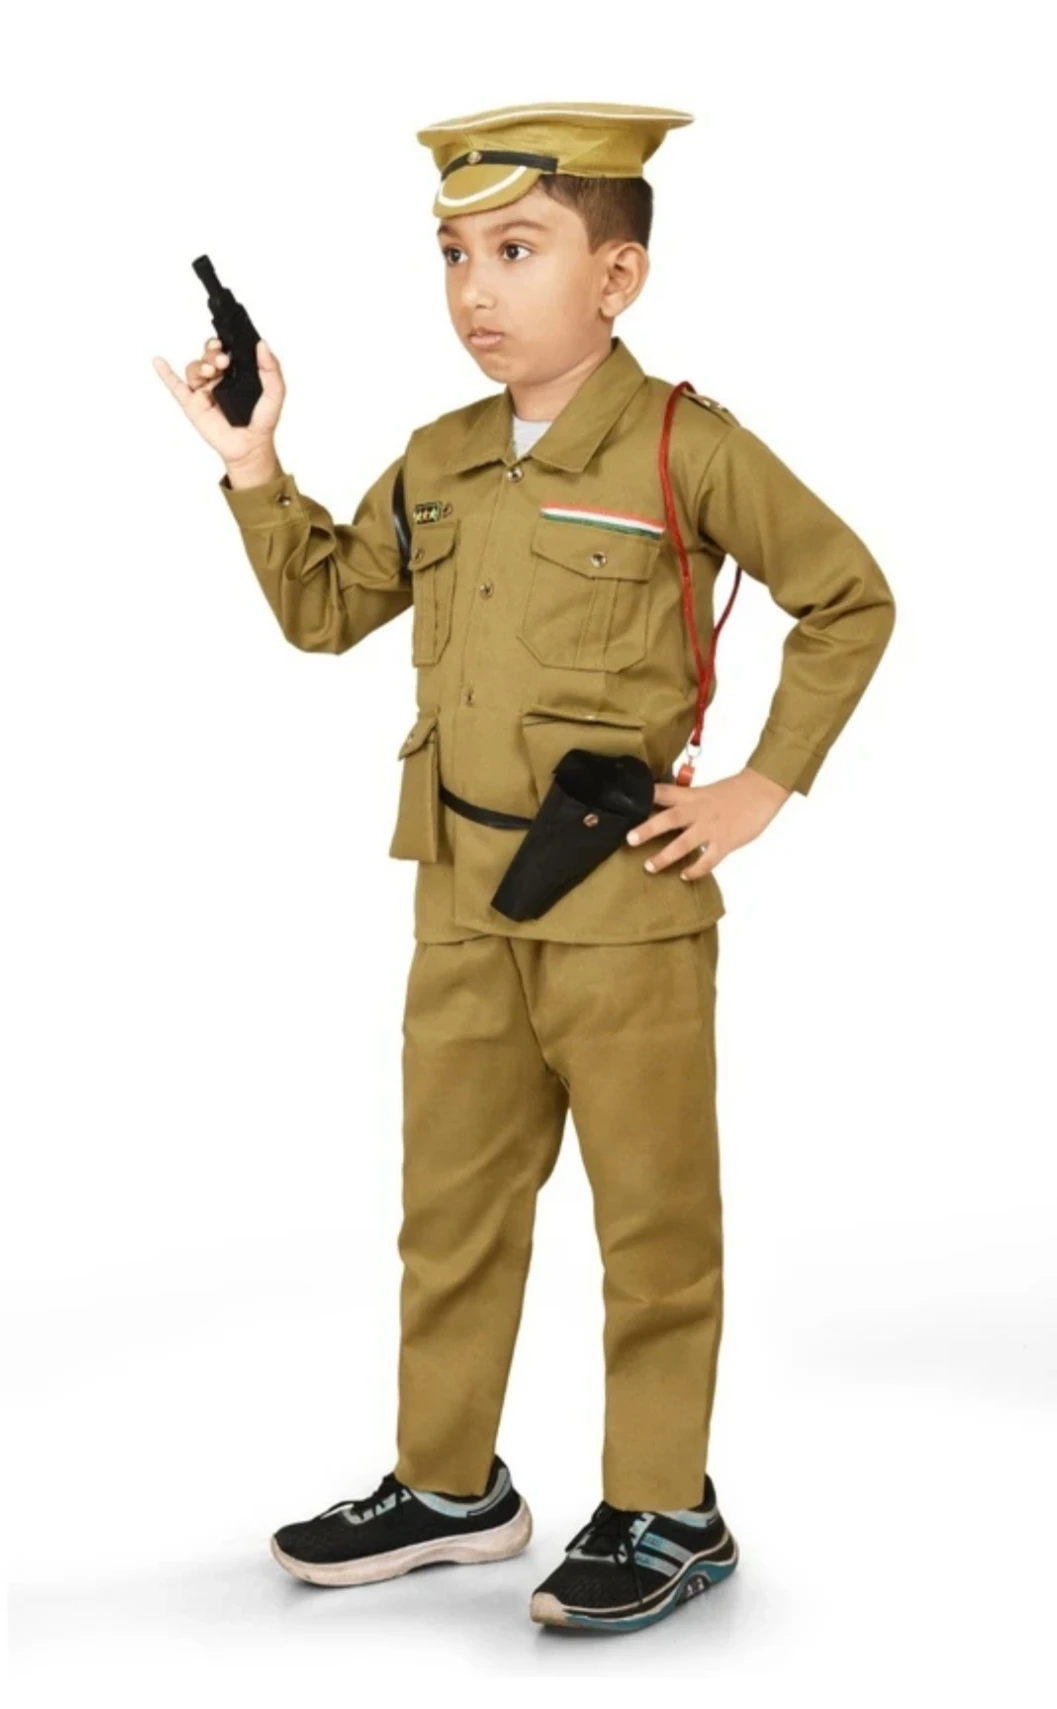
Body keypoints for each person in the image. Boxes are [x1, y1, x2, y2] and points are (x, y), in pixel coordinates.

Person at [153, 99, 896, 1636]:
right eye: (452, 254)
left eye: (517, 249)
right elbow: (325, 609)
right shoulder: (440, 458)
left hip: (625, 906)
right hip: (458, 897)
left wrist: (762, 785)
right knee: (452, 1212)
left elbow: (848, 596)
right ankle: (449, 1488)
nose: (474, 290)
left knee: (653, 1226)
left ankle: (668, 1508)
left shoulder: (688, 446)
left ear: (617, 276)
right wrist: (254, 463)